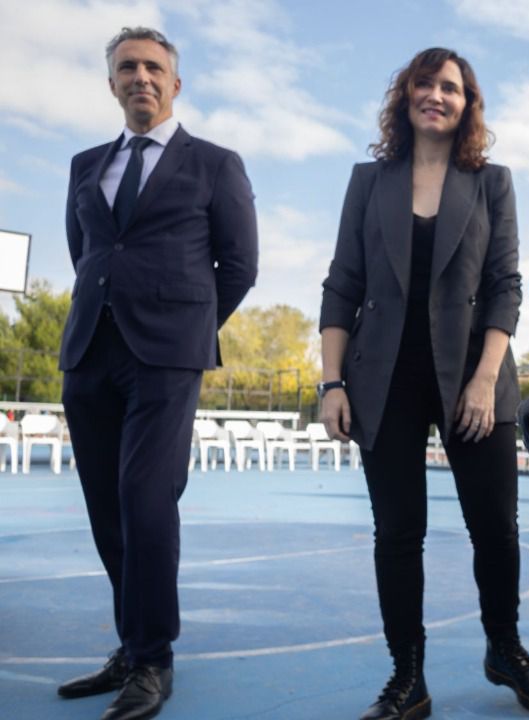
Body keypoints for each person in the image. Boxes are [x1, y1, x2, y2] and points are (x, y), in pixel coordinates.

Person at [319, 48, 529, 718]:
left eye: (450, 87)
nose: (436, 94)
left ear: (467, 103)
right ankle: (409, 677)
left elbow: (504, 288)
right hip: (383, 378)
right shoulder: (368, 181)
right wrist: (331, 383)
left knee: (496, 528)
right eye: (424, 83)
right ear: (405, 96)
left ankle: (504, 649)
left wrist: (486, 381)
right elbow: (342, 284)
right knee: (397, 532)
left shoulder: (492, 182)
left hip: (472, 379)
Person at [57, 26, 259, 720]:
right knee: (108, 514)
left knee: (145, 502)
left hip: (167, 357)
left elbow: (239, 266)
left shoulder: (215, 163)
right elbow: (87, 249)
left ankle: (153, 660)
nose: (140, 76)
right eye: (126, 68)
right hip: (88, 354)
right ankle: (131, 641)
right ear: (111, 83)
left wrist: (185, 324)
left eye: (152, 67)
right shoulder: (86, 165)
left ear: (175, 83)